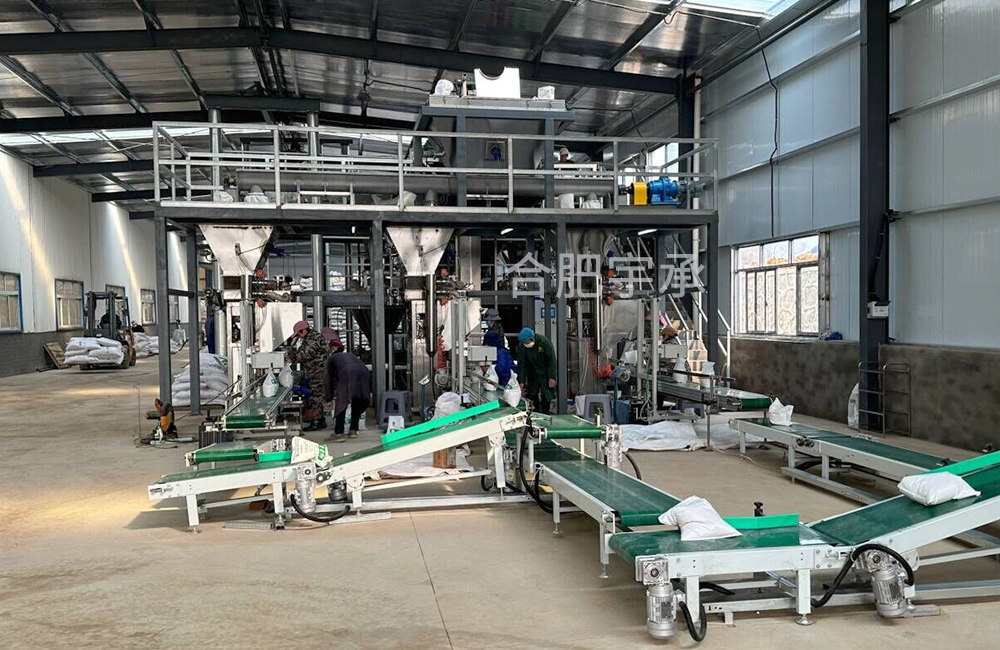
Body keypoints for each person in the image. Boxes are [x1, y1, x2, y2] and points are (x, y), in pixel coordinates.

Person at [323, 329, 371, 441]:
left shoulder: (331, 359)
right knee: (357, 399)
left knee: (342, 401)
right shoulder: (349, 355)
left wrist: (328, 399)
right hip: (363, 372)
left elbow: (328, 380)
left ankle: (338, 433)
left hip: (348, 373)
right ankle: (353, 430)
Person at [286, 320, 328, 431]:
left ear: (304, 330)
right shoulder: (310, 338)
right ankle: (320, 420)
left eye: (299, 334)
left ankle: (316, 421)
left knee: (316, 397)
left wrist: (290, 355)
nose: (299, 337)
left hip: (318, 372)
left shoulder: (313, 339)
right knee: (317, 396)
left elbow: (303, 355)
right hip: (315, 371)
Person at [516, 327, 556, 415]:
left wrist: (552, 377)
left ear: (532, 339)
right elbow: (522, 365)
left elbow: (551, 361)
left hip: (545, 372)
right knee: (532, 394)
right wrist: (521, 381)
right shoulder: (522, 347)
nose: (526, 344)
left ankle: (546, 414)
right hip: (532, 372)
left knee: (546, 395)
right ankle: (535, 414)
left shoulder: (544, 342)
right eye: (524, 343)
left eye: (527, 342)